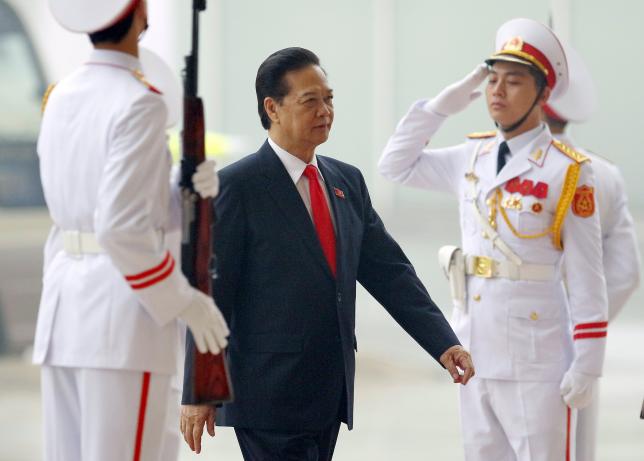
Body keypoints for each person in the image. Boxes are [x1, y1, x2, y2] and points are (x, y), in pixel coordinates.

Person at [179, 47, 474, 460]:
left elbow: (390, 272)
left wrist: (443, 343)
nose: (325, 110)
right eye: (310, 100)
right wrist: (199, 390)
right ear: (273, 108)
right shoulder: (236, 188)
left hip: (327, 391)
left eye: (329, 98)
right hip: (268, 395)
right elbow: (209, 293)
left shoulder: (345, 182)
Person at [379, 18, 608, 461]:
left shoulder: (569, 170)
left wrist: (588, 363)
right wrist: (439, 108)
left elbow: (586, 276)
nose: (497, 92)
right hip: (474, 349)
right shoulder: (474, 156)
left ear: (543, 95)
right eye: (492, 80)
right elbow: (395, 166)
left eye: (514, 82)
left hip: (537, 358)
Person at [34, 1, 229, 460]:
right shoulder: (139, 102)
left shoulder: (61, 94)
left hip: (65, 313)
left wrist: (182, 196)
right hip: (121, 321)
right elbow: (121, 228)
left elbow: (90, 204)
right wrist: (183, 300)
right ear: (140, 14)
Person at [542, 43, 641, 461]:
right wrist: (584, 323)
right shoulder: (604, 172)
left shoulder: (486, 161)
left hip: (504, 335)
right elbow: (626, 271)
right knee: (573, 446)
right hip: (576, 339)